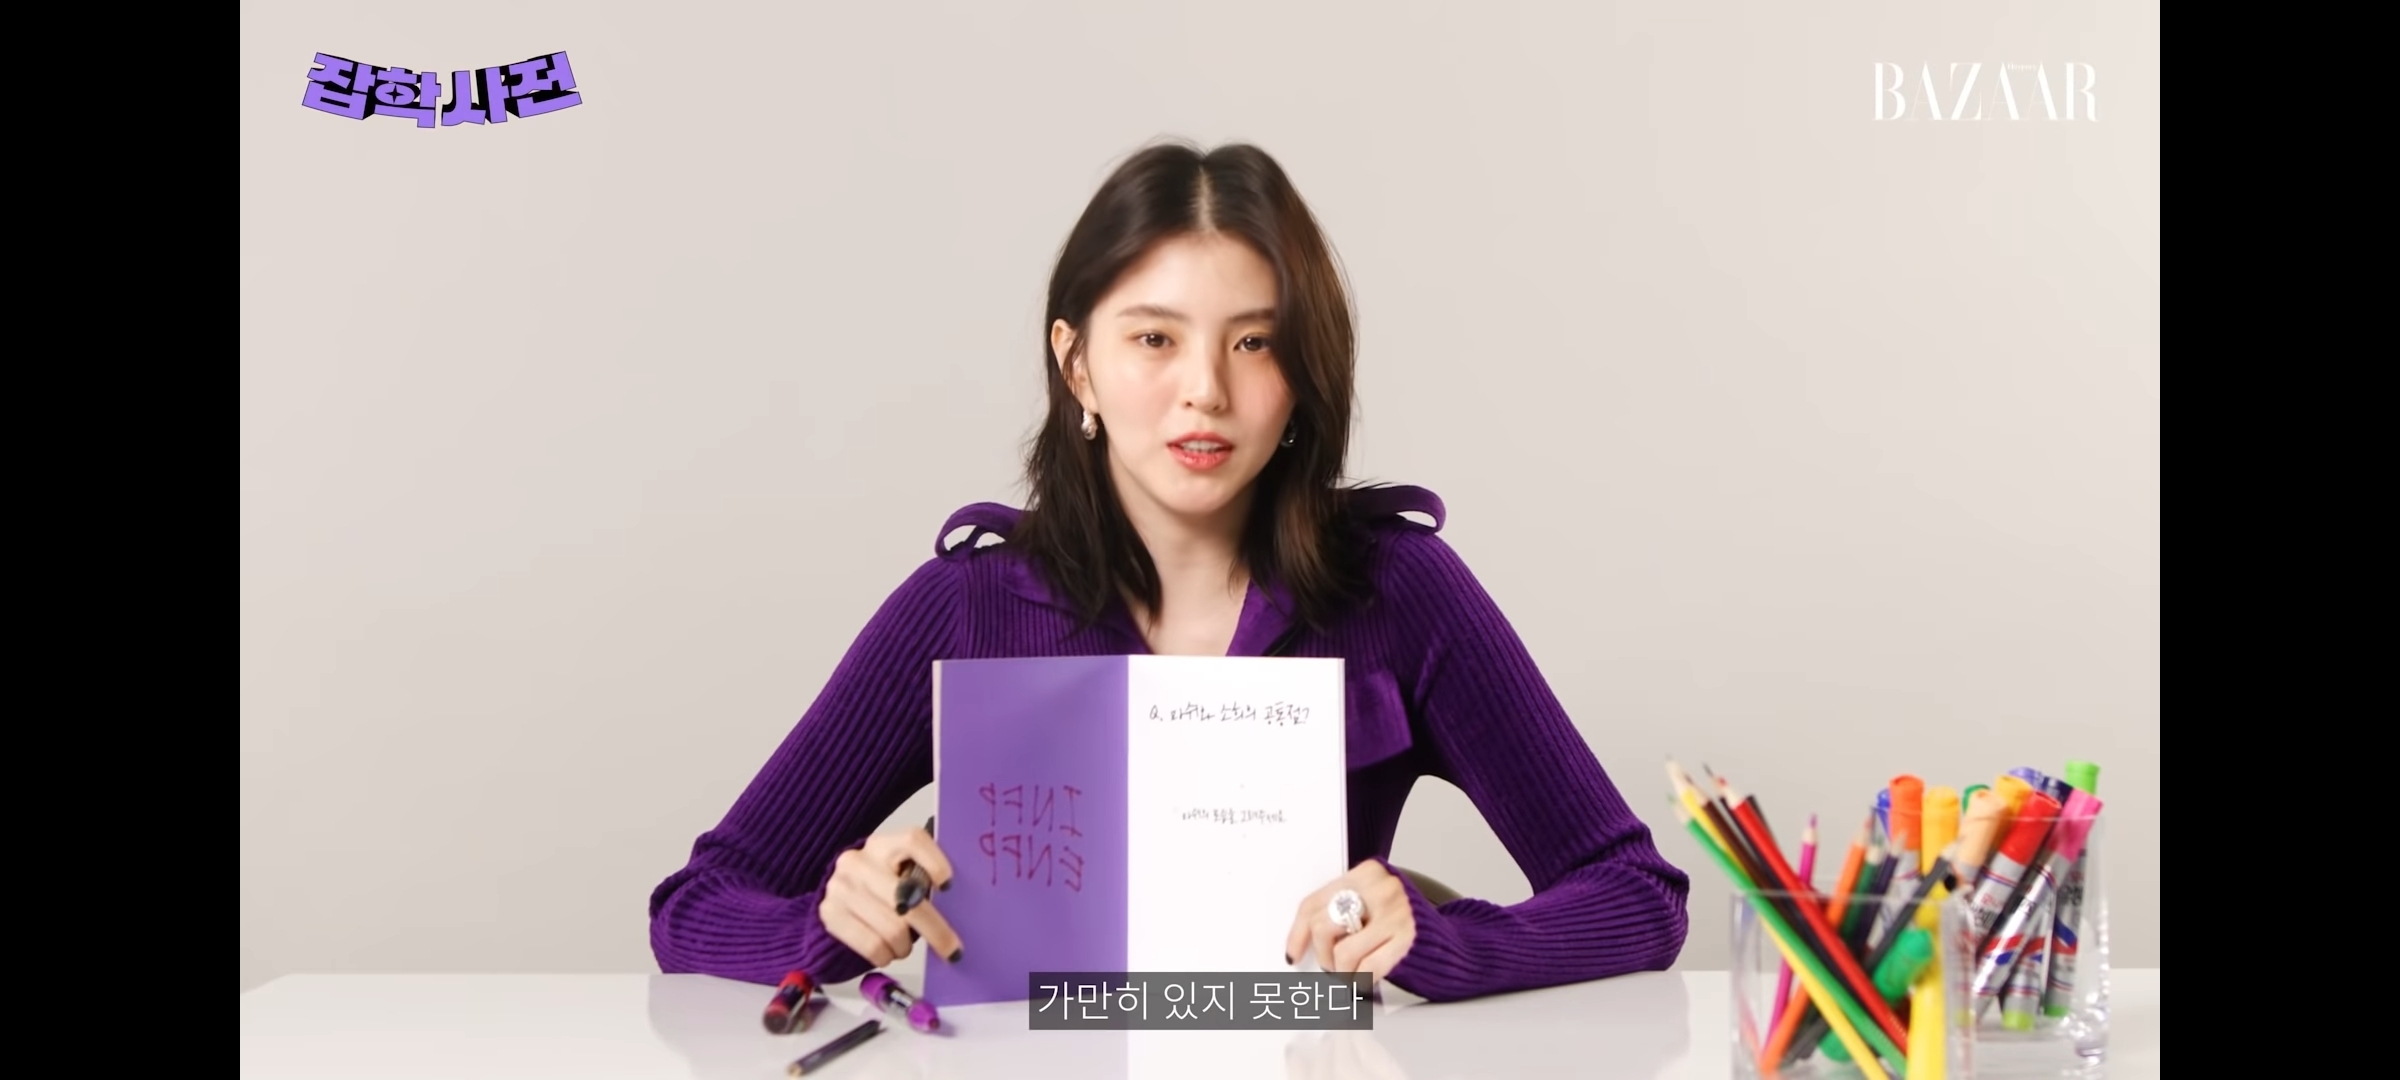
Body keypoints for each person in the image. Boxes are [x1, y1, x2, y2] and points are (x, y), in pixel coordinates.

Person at [647, 139, 1688, 1003]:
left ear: (1304, 375)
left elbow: (1639, 894)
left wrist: (1442, 944)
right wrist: (829, 923)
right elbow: (692, 908)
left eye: (1255, 344)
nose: (1206, 391)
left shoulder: (1400, 590)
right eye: (1154, 338)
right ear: (1078, 365)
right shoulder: (964, 608)